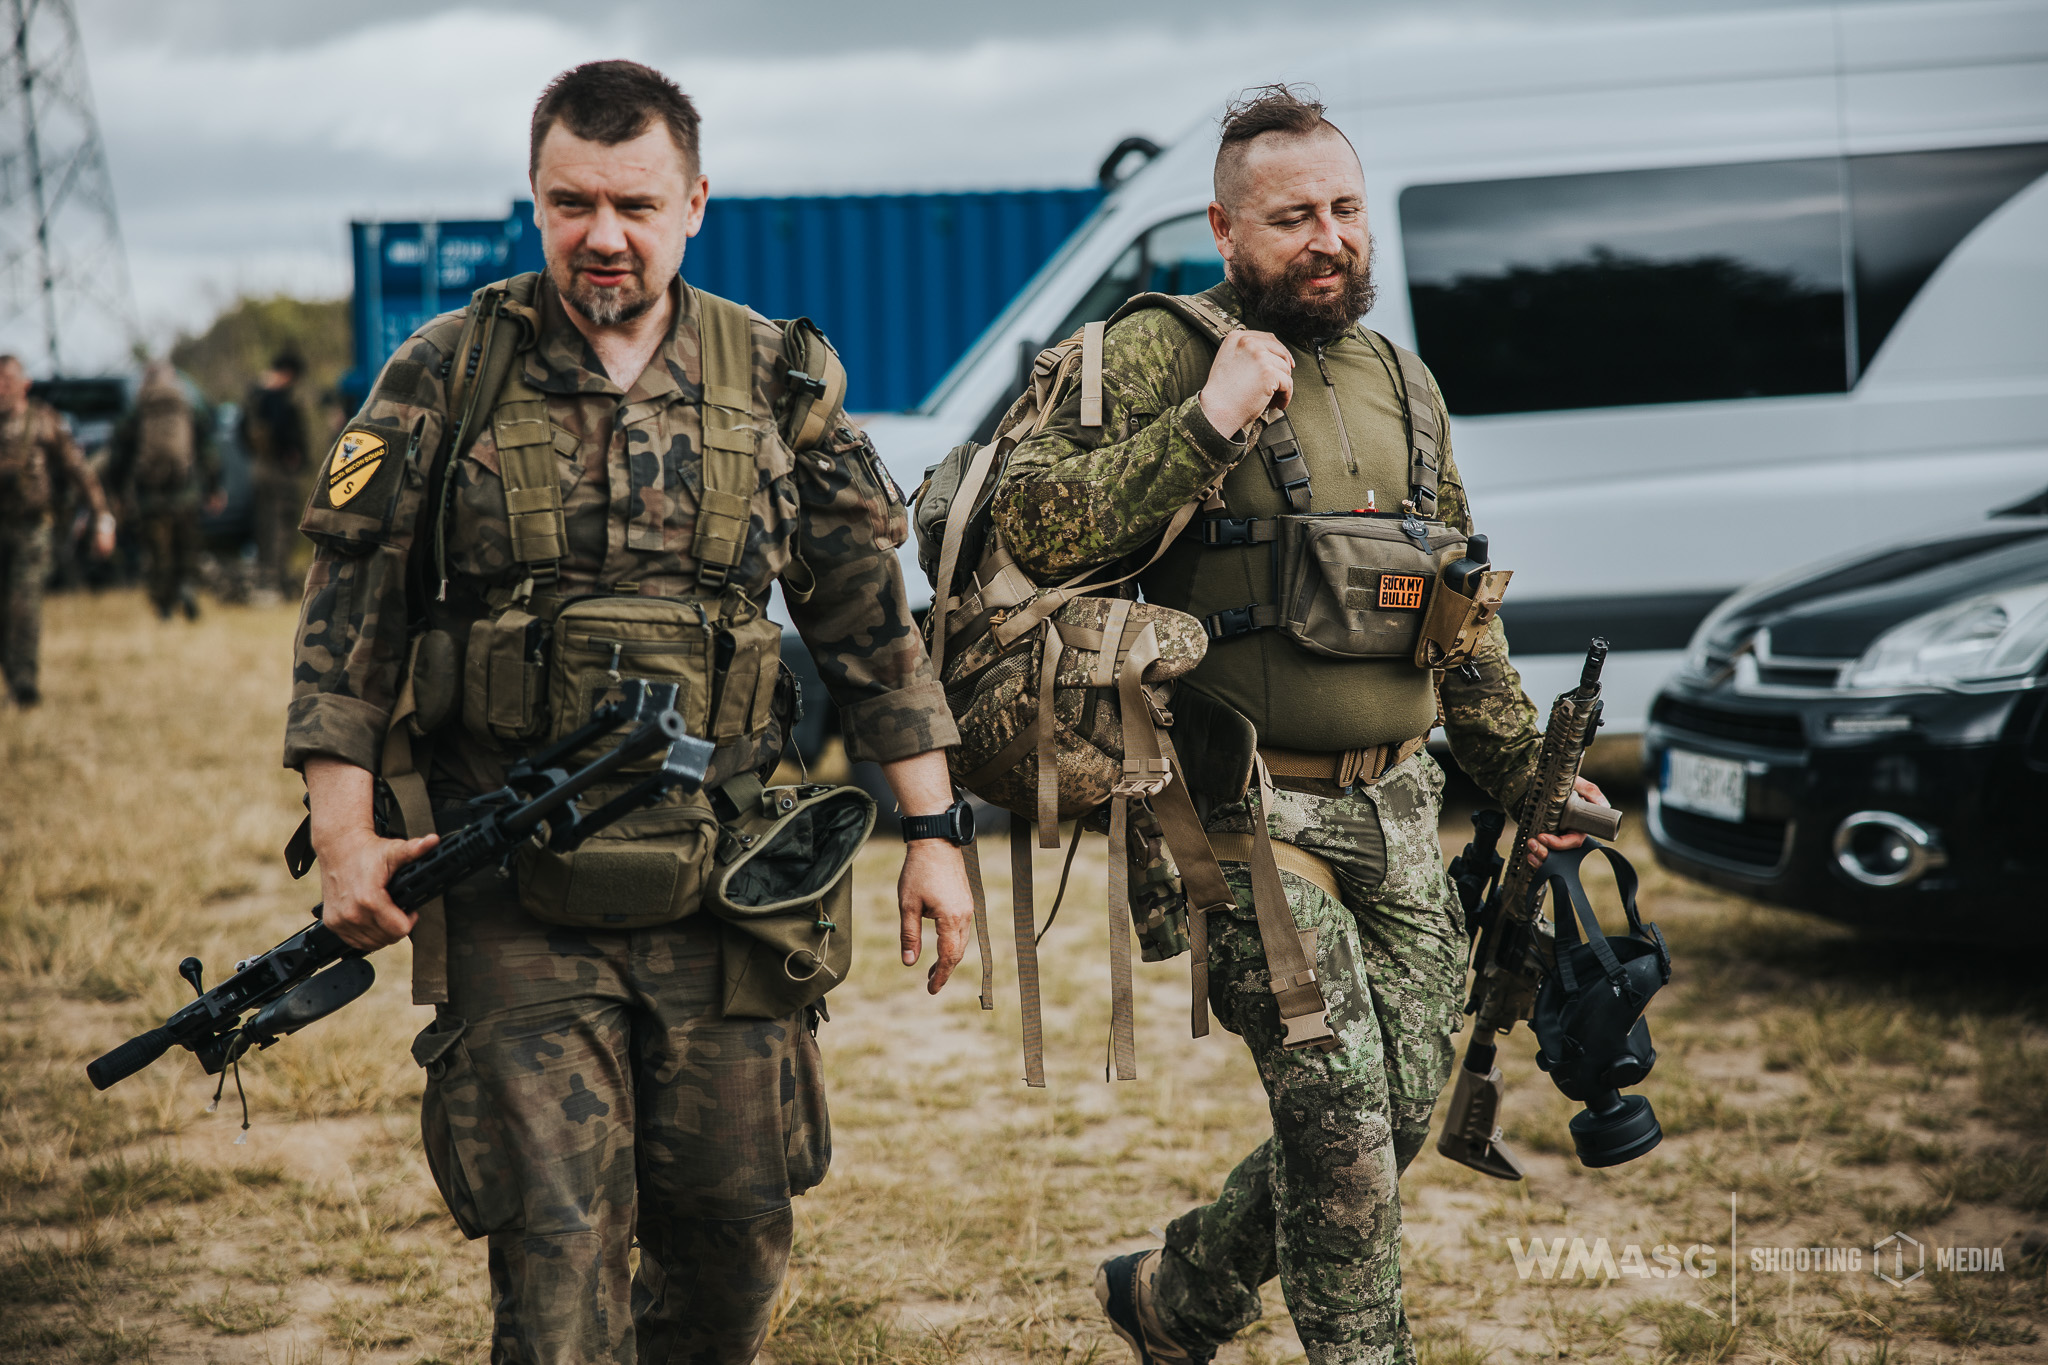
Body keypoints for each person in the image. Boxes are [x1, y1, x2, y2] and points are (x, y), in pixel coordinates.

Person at [286, 60, 972, 1365]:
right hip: (513, 889)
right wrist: (344, 838)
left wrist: (935, 833)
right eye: (571, 202)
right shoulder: (444, 375)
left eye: (636, 204)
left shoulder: (778, 381)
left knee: (735, 1233)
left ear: (696, 202)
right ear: (535, 200)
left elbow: (869, 625)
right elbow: (348, 620)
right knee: (556, 1257)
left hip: (728, 880)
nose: (603, 234)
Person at [993, 87, 1608, 1365]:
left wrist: (1526, 786)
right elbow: (1035, 527)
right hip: (1234, 812)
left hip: (1396, 806)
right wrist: (1206, 420)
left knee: (1383, 1118)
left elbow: (1456, 620)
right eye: (1290, 219)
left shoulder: (1403, 381)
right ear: (1224, 228)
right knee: (1337, 1128)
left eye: (1343, 211)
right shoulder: (1151, 353)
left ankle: (1179, 1295)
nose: (1324, 239)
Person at [0, 354, 113, 706]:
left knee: (25, 603)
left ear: (25, 383)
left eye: (8, 380)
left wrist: (102, 517)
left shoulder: (44, 422)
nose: (2, 388)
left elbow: (80, 472)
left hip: (32, 528)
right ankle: (14, 675)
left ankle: (25, 682)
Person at [106, 362, 220, 620]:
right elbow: (208, 449)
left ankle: (164, 606)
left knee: (157, 552)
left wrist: (117, 491)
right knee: (187, 547)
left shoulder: (138, 409)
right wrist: (213, 487)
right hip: (186, 490)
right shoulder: (188, 404)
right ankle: (187, 588)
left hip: (150, 495)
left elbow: (119, 454)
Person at [241, 348, 308, 597]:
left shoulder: (255, 395)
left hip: (259, 467)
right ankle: (277, 580)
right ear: (289, 373)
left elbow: (242, 432)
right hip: (279, 469)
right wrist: (292, 455)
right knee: (282, 522)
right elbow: (286, 433)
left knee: (264, 523)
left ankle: (264, 576)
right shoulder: (280, 398)